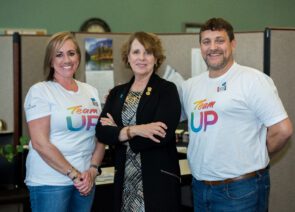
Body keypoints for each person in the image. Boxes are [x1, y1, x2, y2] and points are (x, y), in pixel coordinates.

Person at [179, 18, 293, 212]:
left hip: (240, 189)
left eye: (219, 40)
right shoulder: (190, 86)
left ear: (233, 43)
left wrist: (254, 155)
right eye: (206, 42)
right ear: (200, 46)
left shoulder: (252, 80)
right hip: (200, 187)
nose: (212, 47)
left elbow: (282, 130)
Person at [95, 31, 181, 212]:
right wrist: (135, 130)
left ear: (156, 58)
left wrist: (118, 132)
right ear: (128, 57)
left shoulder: (166, 90)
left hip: (156, 182)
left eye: (148, 52)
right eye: (136, 52)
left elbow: (160, 135)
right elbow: (102, 132)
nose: (141, 58)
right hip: (124, 181)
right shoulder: (117, 93)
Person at [24, 31, 106, 212]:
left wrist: (92, 170)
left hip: (85, 180)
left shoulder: (90, 91)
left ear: (78, 56)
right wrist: (73, 174)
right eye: (59, 55)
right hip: (50, 182)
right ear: (50, 61)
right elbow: (40, 143)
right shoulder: (40, 91)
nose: (66, 60)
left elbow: (100, 135)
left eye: (71, 53)